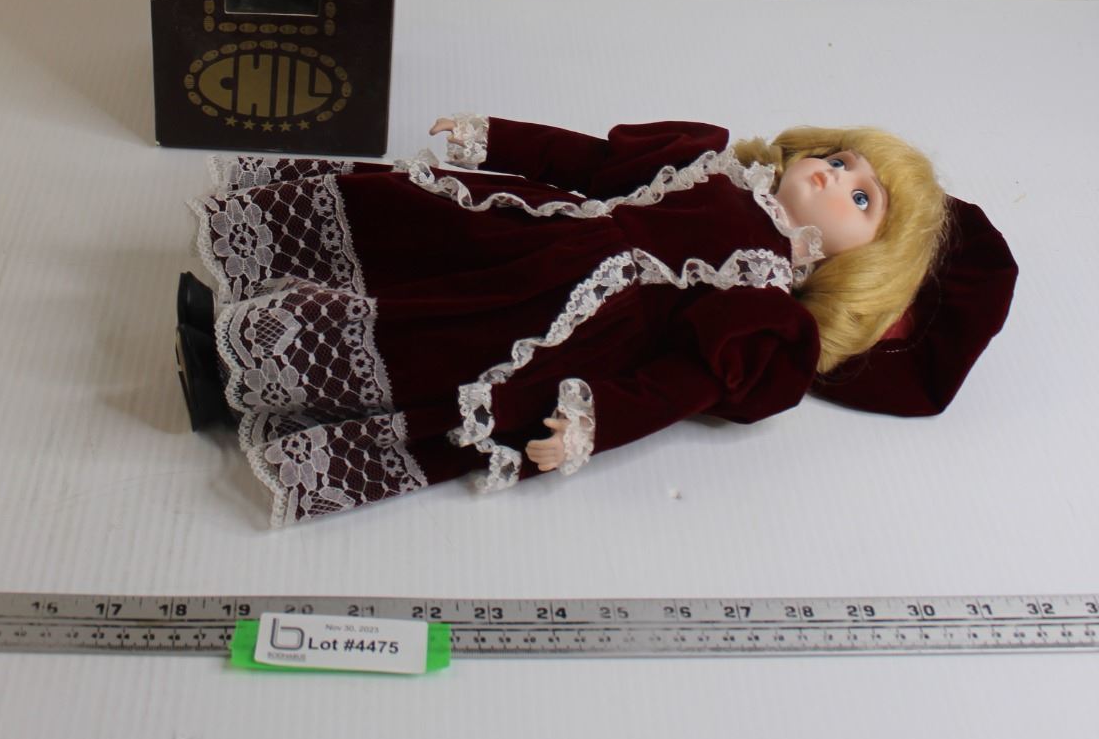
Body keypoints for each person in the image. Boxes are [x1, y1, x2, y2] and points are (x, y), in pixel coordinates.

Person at [174, 113, 1016, 527]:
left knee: (428, 345)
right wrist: (494, 139)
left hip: (564, 324)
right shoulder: (707, 161)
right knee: (409, 234)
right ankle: (251, 286)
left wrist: (593, 424)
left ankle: (240, 377)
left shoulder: (762, 305)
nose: (834, 178)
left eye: (862, 199)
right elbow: (591, 161)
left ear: (858, 265)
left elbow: (680, 383)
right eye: (840, 161)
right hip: (531, 231)